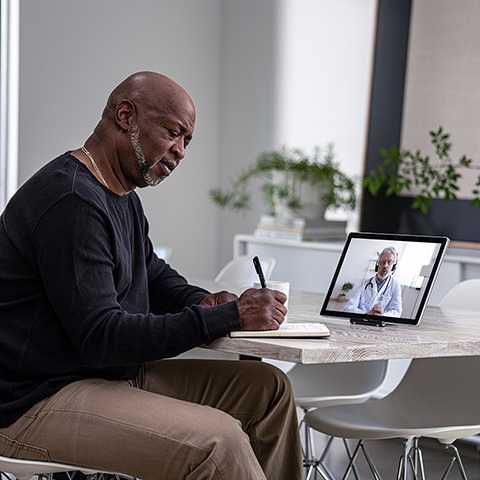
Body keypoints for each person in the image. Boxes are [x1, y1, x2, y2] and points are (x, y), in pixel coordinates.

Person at [0, 72, 302, 480]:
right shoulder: (71, 200)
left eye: (187, 142)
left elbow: (153, 274)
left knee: (268, 390)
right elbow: (102, 337)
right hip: (34, 401)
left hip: (105, 378)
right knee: (218, 442)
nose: (179, 152)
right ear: (126, 116)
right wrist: (227, 318)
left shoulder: (120, 195)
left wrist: (203, 301)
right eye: (174, 133)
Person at [344, 247, 402, 317]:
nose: (385, 265)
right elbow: (348, 307)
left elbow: (397, 312)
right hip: (363, 321)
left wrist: (382, 315)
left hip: (381, 323)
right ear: (378, 263)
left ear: (393, 266)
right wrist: (366, 314)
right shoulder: (365, 283)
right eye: (383, 261)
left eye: (389, 262)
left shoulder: (395, 285)